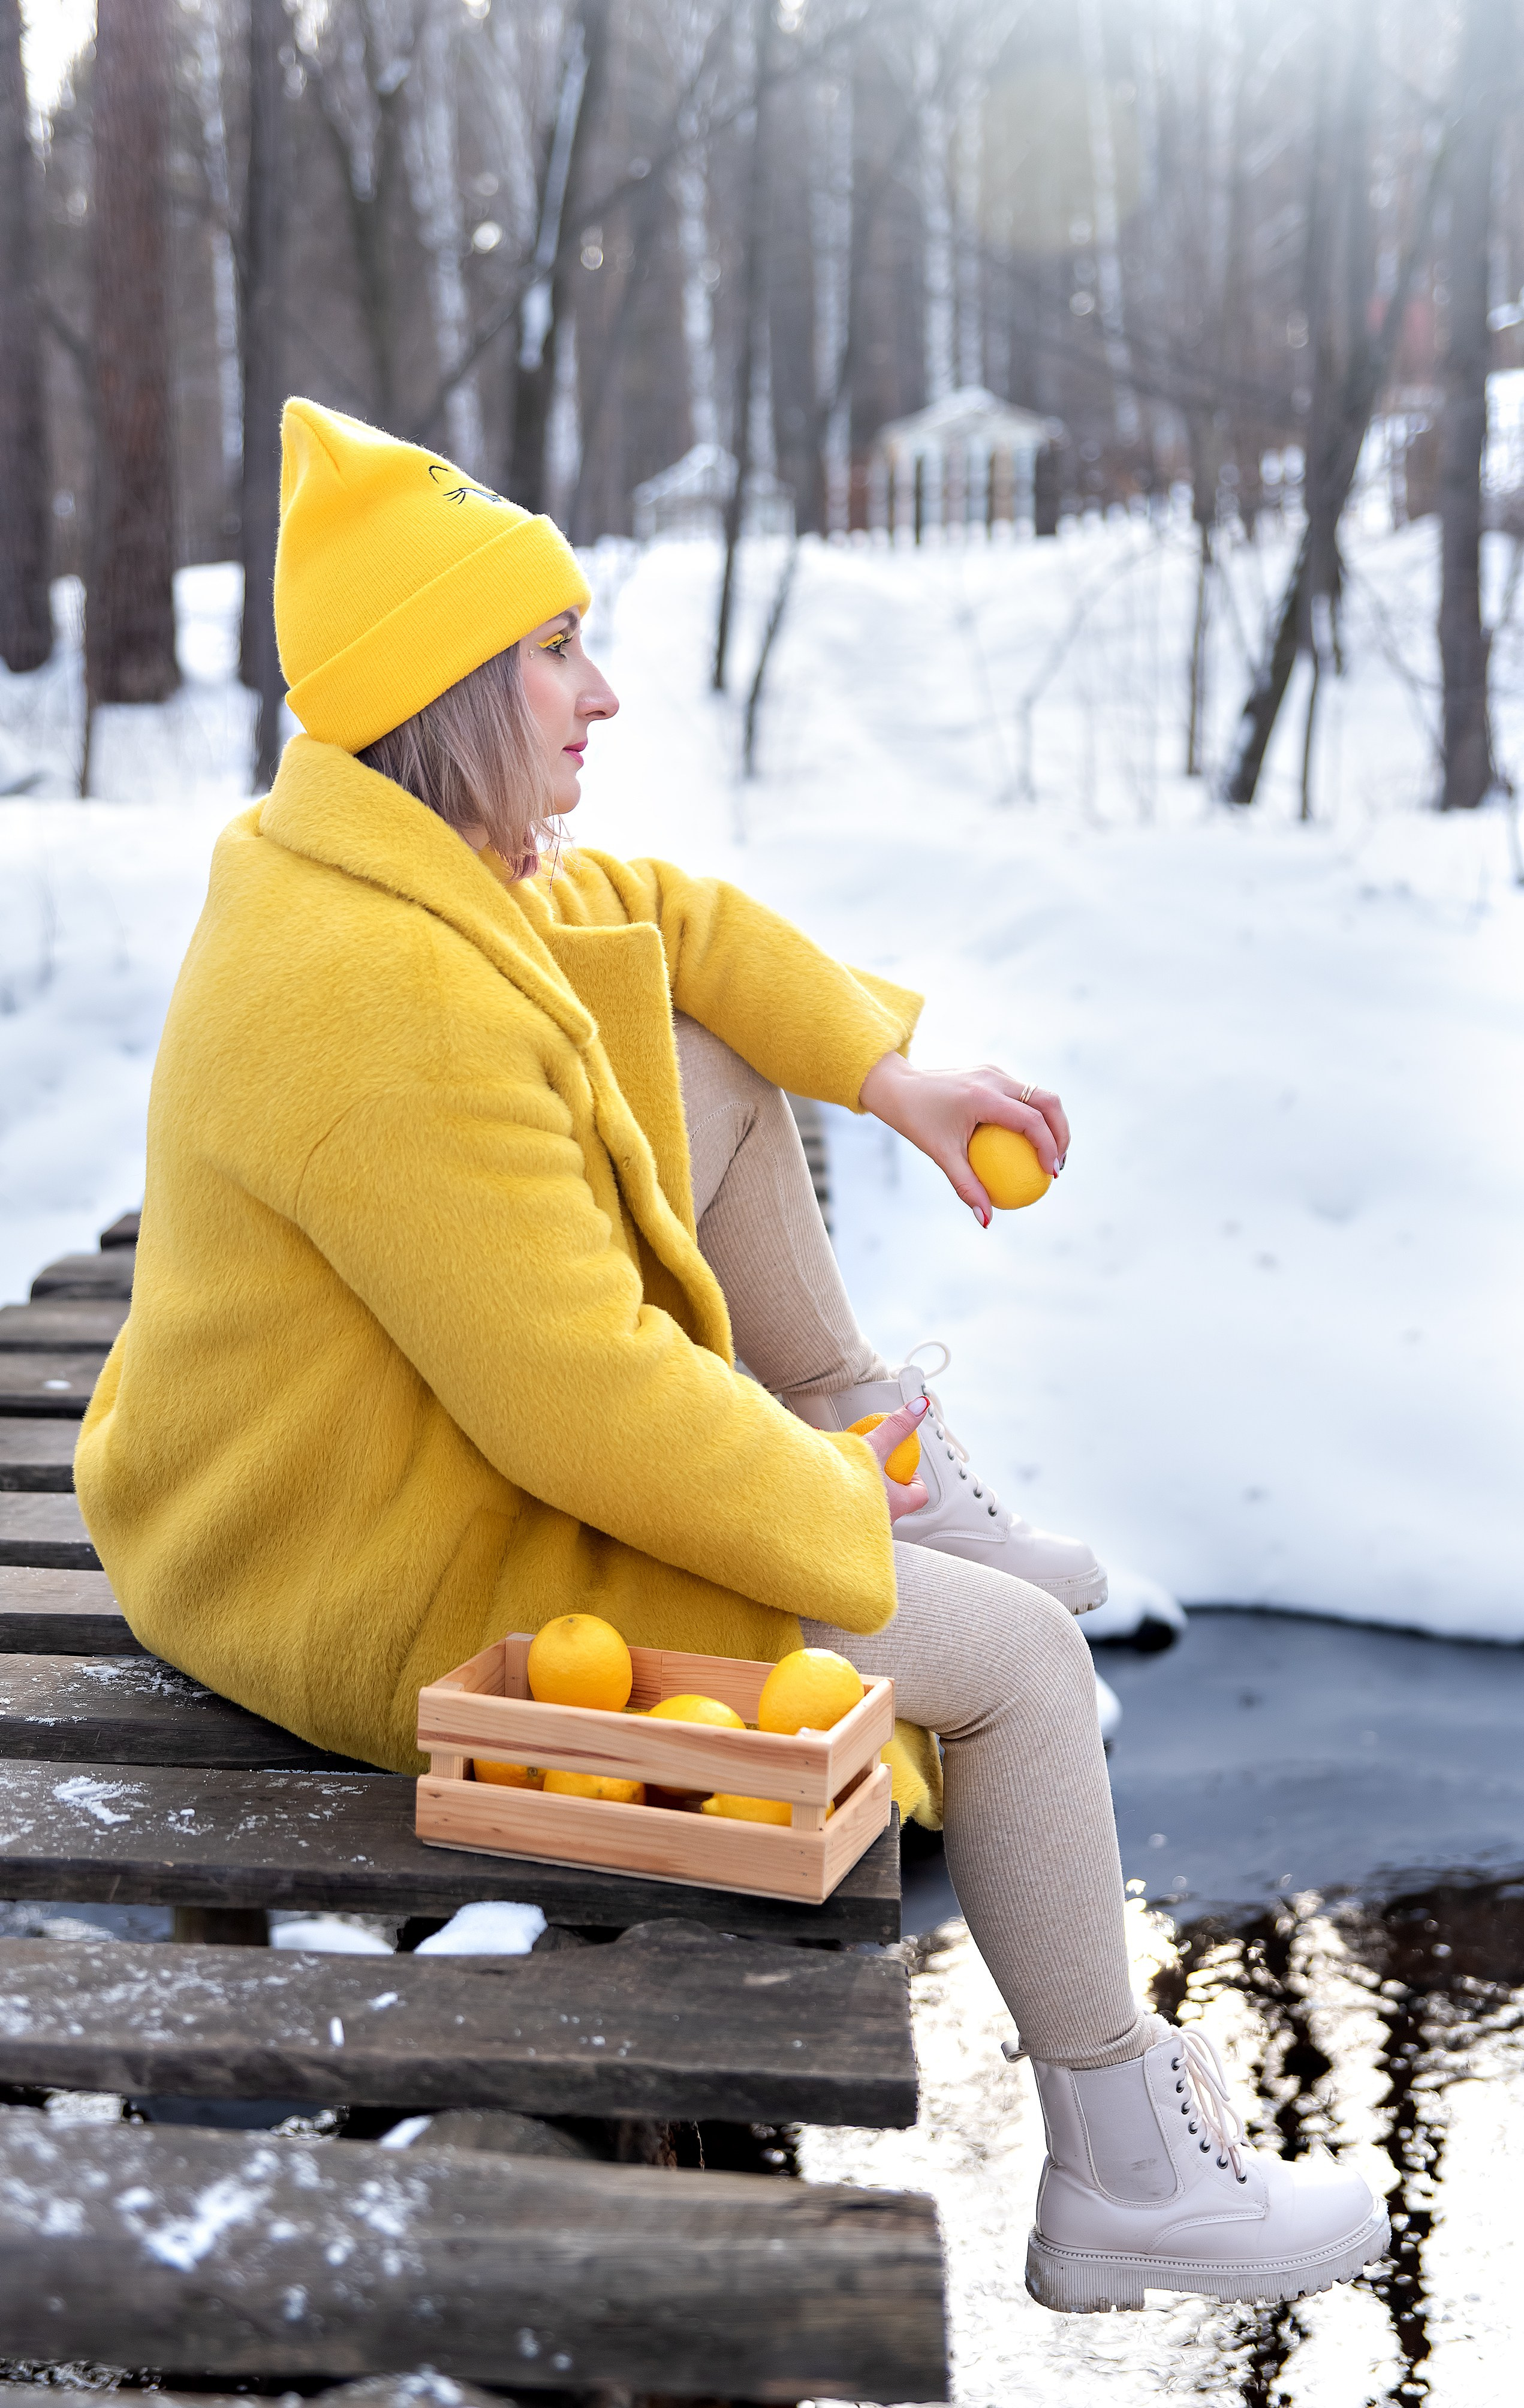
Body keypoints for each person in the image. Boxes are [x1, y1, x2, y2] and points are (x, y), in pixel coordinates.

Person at [76, 401, 1387, 2313]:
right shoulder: (381, 999)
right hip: (351, 1557)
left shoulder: (426, 866)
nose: (599, 694)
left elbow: (674, 923)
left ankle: (882, 1431)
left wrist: (887, 1068)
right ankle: (1124, 2185)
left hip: (348, 1449)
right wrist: (848, 1534)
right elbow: (583, 1404)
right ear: (449, 686)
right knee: (1014, 1666)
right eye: (554, 652)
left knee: (692, 1045)